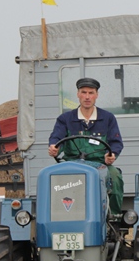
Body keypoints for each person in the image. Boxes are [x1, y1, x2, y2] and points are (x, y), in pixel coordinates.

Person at [48, 78, 125, 214]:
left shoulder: (108, 118)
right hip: (71, 163)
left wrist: (111, 154)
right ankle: (58, 214)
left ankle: (113, 216)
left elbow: (116, 142)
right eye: (84, 92)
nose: (87, 97)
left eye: (91, 93)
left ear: (96, 95)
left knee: (115, 176)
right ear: (78, 94)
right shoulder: (65, 118)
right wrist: (55, 147)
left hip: (100, 164)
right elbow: (57, 137)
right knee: (52, 176)